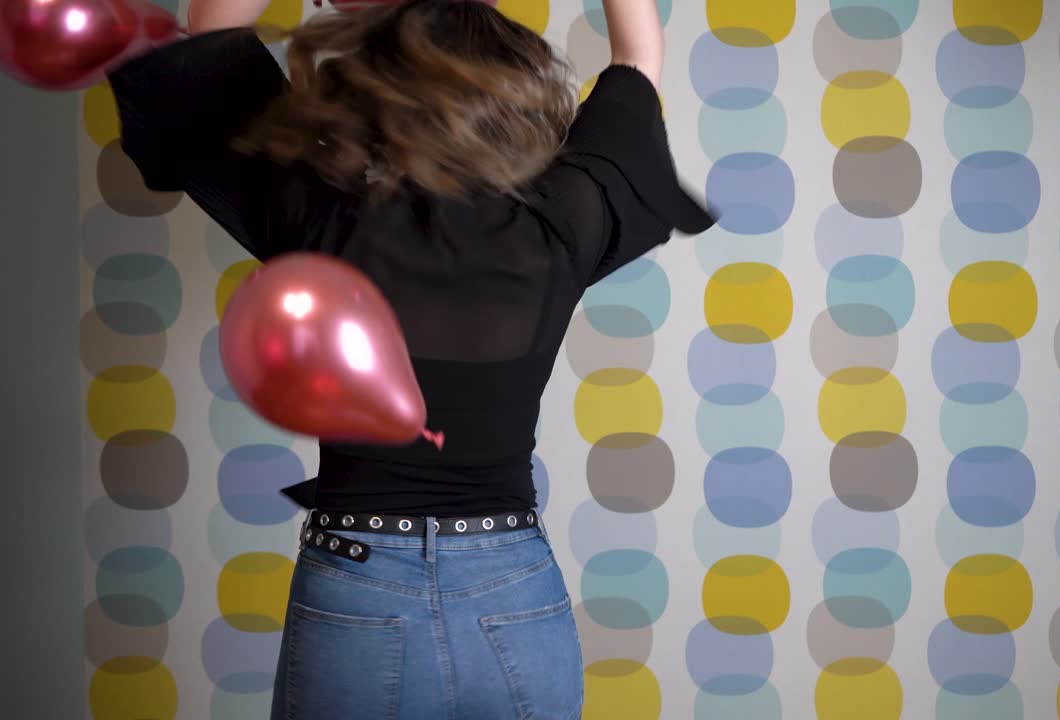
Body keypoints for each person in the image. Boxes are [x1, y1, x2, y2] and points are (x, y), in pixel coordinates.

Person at [106, 0, 714, 717]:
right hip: (514, 589)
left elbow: (211, 39)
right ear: (510, 95)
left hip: (359, 588)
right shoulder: (560, 227)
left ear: (369, 96)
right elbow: (636, 63)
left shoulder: (318, 216)